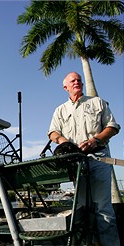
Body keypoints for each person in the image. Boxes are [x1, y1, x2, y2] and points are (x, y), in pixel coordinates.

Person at [47, 72, 121, 246]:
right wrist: (64, 142)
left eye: (79, 80)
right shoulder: (60, 110)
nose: (77, 82)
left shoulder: (98, 102)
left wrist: (95, 140)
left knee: (103, 208)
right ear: (65, 87)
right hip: (76, 163)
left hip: (99, 159)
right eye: (73, 80)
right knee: (80, 207)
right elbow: (52, 132)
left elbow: (113, 127)